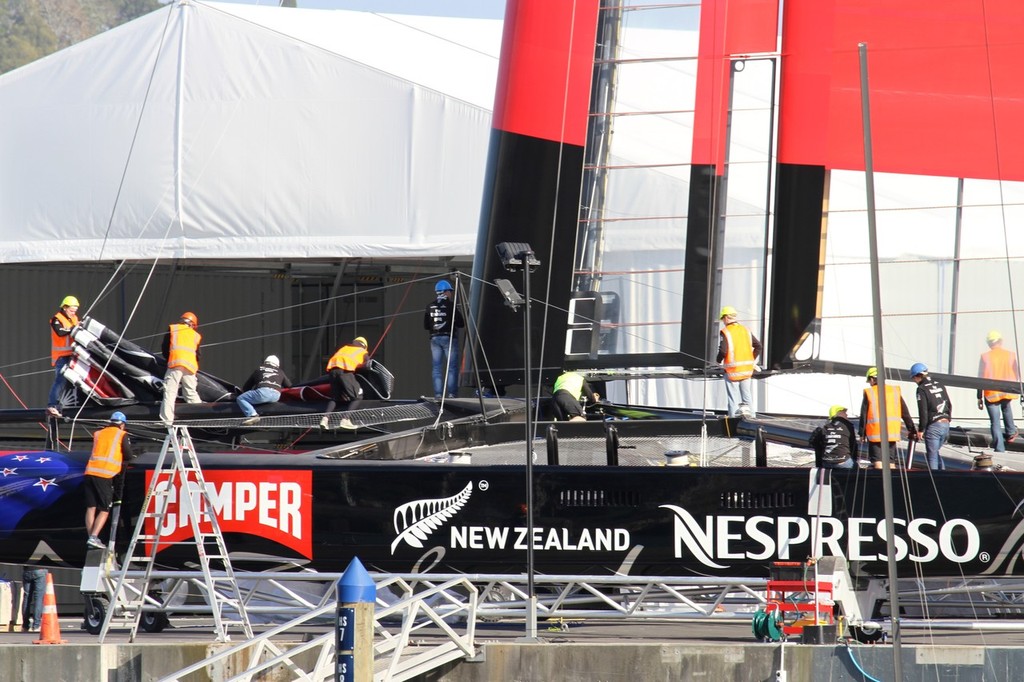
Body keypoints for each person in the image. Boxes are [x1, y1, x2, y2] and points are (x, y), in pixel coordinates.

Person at [84, 411, 133, 549]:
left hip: (90, 472)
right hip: (105, 474)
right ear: (122, 425)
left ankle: (91, 538)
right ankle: (94, 538)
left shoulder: (98, 433)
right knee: (105, 509)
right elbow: (128, 454)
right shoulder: (122, 434)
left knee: (91, 507)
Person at [859, 367, 918, 469]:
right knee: (890, 462)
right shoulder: (894, 391)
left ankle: (880, 483)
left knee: (878, 461)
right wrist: (911, 429)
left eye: (869, 380)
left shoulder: (870, 392)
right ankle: (892, 483)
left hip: (875, 433)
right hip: (891, 433)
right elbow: (905, 412)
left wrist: (862, 433)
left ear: (872, 379)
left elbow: (864, 414)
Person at [978, 330, 1020, 453]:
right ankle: (1011, 432)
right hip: (1007, 390)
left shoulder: (985, 356)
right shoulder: (1010, 355)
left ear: (989, 343)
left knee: (995, 422)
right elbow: (1017, 373)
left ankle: (999, 449)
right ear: (1001, 341)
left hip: (991, 393)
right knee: (1006, 408)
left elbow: (979, 378)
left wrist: (979, 396)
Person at [716, 306, 762, 418]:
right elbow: (758, 346)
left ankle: (733, 424)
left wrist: (718, 361)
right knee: (747, 397)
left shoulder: (726, 332)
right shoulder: (745, 330)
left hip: (732, 371)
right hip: (746, 371)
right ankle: (752, 421)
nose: (723, 321)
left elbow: (723, 350)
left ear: (726, 318)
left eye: (722, 319)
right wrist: (751, 360)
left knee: (733, 399)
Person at [159, 312, 202, 427]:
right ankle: (202, 417)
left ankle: (167, 421)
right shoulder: (196, 335)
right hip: (191, 366)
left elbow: (164, 348)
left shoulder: (173, 328)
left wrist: (168, 359)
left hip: (176, 363)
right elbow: (198, 355)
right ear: (193, 325)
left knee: (170, 392)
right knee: (191, 393)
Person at [424, 279, 465, 399]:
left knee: (436, 368)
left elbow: (426, 326)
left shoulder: (429, 306)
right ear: (446, 292)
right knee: (451, 367)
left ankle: (438, 394)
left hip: (434, 339)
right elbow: (461, 323)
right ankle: (452, 394)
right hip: (449, 338)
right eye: (450, 291)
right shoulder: (451, 306)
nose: (451, 294)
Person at [911, 362, 952, 470]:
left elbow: (923, 411)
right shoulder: (940, 384)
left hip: (934, 426)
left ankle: (935, 480)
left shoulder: (921, 389)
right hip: (945, 424)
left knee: (932, 456)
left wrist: (921, 429)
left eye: (913, 378)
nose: (914, 381)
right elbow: (949, 404)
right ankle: (942, 476)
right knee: (935, 453)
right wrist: (948, 419)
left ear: (917, 376)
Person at [321, 336, 368, 430]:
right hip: (345, 372)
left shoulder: (344, 348)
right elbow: (367, 365)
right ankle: (345, 420)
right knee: (358, 395)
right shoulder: (362, 351)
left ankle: (325, 419)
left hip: (332, 371)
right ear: (364, 346)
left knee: (335, 397)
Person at [47, 295, 80, 417]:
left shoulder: (74, 318)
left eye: (75, 310)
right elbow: (60, 332)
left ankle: (66, 404)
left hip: (73, 355)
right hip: (62, 356)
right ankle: (52, 405)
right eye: (71, 310)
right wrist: (74, 329)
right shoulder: (56, 319)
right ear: (65, 307)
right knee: (60, 381)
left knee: (74, 382)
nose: (73, 313)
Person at [237, 355, 292, 425]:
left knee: (241, 398)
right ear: (277, 364)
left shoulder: (259, 370)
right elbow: (289, 385)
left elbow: (246, 387)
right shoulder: (280, 371)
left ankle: (253, 415)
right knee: (263, 397)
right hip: (276, 396)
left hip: (263, 394)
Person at [21, 565, 48, 633]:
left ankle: (25, 625)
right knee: (38, 598)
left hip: (27, 571)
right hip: (40, 570)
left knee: (27, 598)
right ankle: (36, 625)